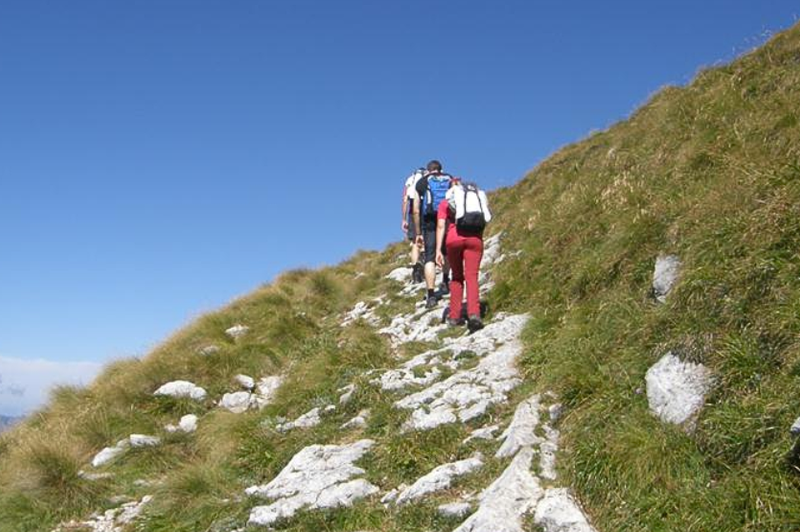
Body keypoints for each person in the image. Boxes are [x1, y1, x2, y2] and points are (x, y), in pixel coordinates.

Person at [435, 179, 490, 332]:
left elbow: (440, 226)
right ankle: (474, 315)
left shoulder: (445, 203)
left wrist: (438, 250)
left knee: (457, 277)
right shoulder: (475, 198)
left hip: (453, 240)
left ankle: (454, 317)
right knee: (472, 277)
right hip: (474, 239)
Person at [413, 160, 452, 308]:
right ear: (441, 169)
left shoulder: (422, 183)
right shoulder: (449, 178)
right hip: (447, 218)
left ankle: (431, 295)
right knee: (446, 251)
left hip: (429, 221)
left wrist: (418, 232)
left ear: (428, 171)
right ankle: (446, 281)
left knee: (429, 256)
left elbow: (416, 210)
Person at [402, 168, 426, 283]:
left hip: (412, 211)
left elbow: (405, 200)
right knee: (426, 236)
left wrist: (403, 219)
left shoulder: (410, 181)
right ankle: (426, 263)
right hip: (426, 210)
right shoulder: (428, 178)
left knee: (415, 242)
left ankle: (416, 270)